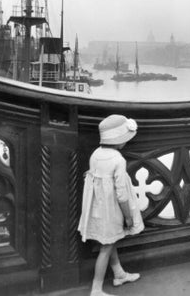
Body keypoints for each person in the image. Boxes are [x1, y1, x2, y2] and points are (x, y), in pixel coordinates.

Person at [78, 114, 145, 296]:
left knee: (110, 240)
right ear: (120, 140)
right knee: (106, 247)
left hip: (98, 209)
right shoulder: (118, 160)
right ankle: (96, 289)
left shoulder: (96, 154)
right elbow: (122, 194)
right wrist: (128, 217)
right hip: (112, 210)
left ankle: (119, 274)